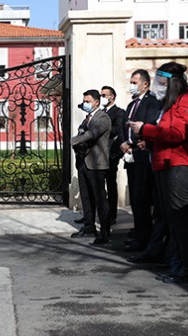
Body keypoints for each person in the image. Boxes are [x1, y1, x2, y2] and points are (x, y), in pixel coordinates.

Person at [129, 62, 188, 284]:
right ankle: (179, 261)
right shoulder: (171, 102)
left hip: (180, 164)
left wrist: (145, 129)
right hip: (165, 163)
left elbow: (176, 133)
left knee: (180, 217)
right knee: (172, 217)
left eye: (161, 80)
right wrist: (149, 138)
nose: (158, 85)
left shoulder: (187, 100)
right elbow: (167, 132)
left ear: (171, 81)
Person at [120, 69, 163, 252]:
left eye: (134, 82)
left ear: (145, 84)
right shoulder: (132, 105)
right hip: (131, 156)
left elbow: (151, 124)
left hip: (144, 154)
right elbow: (125, 126)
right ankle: (139, 233)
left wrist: (141, 141)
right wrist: (124, 142)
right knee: (136, 199)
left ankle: (144, 237)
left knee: (142, 198)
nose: (131, 85)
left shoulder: (152, 103)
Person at [70, 89, 111, 245]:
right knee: (86, 198)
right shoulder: (86, 119)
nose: (85, 104)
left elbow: (92, 134)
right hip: (83, 163)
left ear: (96, 102)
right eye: (84, 101)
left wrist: (75, 140)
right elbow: (83, 132)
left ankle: (105, 232)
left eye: (88, 101)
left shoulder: (103, 118)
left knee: (100, 199)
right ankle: (89, 227)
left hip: (96, 164)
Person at [100, 86, 126, 226]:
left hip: (111, 153)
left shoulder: (119, 112)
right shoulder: (100, 112)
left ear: (112, 97)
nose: (102, 97)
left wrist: (101, 128)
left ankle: (112, 215)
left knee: (110, 184)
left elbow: (118, 129)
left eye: (104, 95)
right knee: (99, 185)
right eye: (101, 95)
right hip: (99, 153)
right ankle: (100, 214)